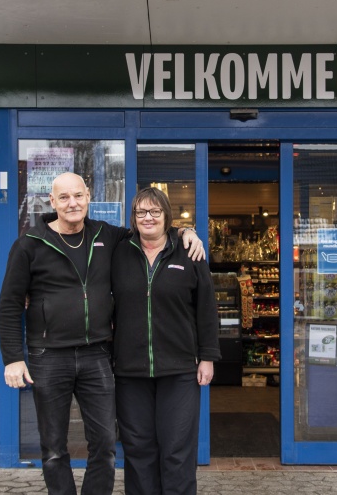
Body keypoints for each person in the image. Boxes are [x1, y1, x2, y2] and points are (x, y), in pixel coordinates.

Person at [0, 172, 203, 495]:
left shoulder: (107, 236)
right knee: (53, 448)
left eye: (78, 196)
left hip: (96, 355)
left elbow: (151, 230)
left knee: (105, 445)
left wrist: (186, 232)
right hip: (48, 357)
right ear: (52, 202)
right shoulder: (29, 245)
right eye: (63, 197)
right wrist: (12, 358)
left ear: (89, 197)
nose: (72, 203)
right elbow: (9, 304)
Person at [111, 187, 221, 495]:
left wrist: (208, 356)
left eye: (155, 212)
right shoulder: (118, 251)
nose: (148, 218)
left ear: (166, 216)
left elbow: (207, 308)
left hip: (180, 369)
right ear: (133, 218)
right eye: (141, 212)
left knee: (177, 451)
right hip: (130, 371)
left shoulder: (189, 253)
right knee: (138, 449)